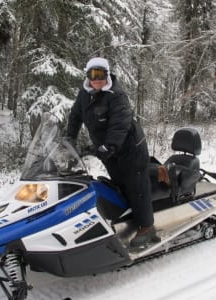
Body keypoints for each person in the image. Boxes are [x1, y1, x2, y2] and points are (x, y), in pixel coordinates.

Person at [66, 57, 160, 247]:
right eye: (93, 74)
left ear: (107, 75)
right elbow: (76, 116)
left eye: (101, 74)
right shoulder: (85, 94)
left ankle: (148, 227)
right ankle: (128, 218)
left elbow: (120, 125)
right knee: (119, 185)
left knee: (136, 185)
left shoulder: (116, 95)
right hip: (109, 150)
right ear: (87, 76)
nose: (97, 79)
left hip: (130, 147)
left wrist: (109, 146)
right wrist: (70, 138)